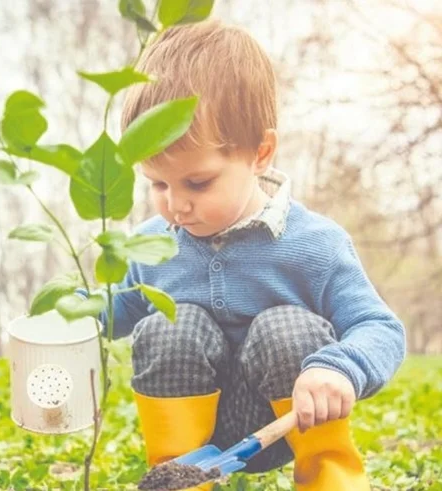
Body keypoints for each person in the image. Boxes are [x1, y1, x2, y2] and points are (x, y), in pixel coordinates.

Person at [108, 20, 406, 490]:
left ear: (260, 153)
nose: (176, 204)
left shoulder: (315, 244)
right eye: (158, 184)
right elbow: (122, 306)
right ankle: (181, 479)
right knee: (169, 323)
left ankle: (329, 479)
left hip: (291, 419)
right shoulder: (153, 244)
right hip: (196, 427)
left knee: (284, 327)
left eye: (197, 182)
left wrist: (340, 368)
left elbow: (381, 328)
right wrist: (74, 316)